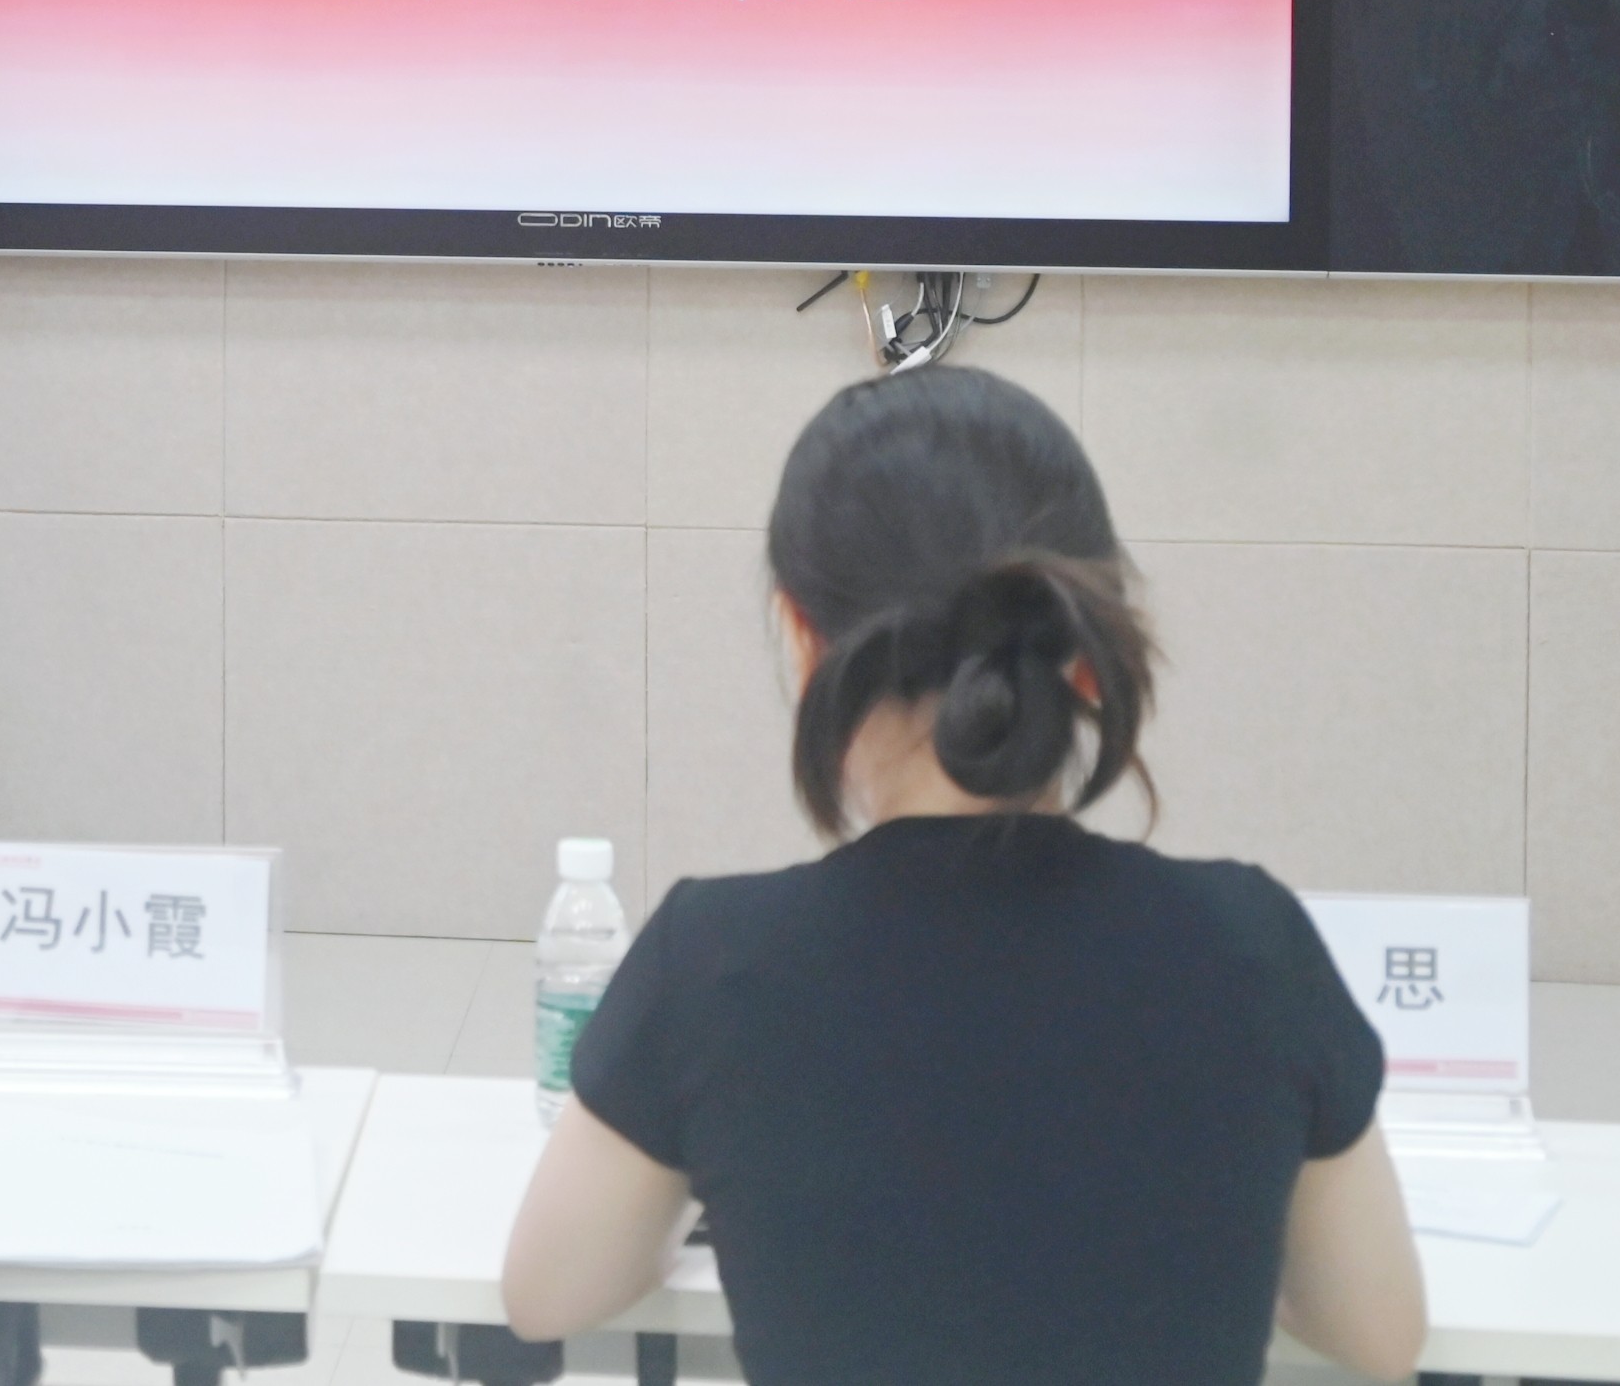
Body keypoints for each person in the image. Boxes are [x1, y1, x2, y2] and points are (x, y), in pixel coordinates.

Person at [498, 367, 1425, 1386]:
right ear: (1085, 649)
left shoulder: (714, 960)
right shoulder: (1250, 942)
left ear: (804, 641)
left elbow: (547, 1295)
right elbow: (1380, 1335)